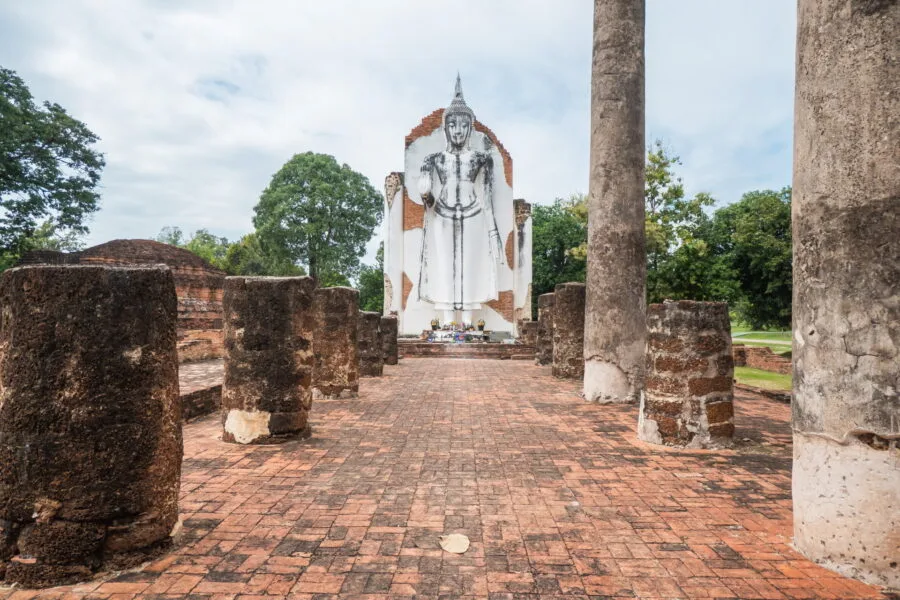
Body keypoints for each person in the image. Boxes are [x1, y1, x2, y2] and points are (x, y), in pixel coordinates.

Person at [417, 76, 504, 326]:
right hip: (442, 214)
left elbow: (487, 198)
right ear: (446, 128)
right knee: (443, 266)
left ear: (470, 128)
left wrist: (493, 233)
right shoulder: (432, 159)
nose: (457, 131)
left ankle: (467, 323)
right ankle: (445, 323)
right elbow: (428, 199)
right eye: (452, 125)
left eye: (463, 126)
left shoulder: (480, 159)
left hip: (474, 213)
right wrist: (426, 195)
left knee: (470, 268)